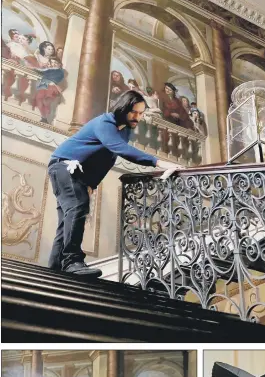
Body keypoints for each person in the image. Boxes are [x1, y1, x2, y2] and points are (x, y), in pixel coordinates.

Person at [47, 90, 183, 276]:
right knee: (78, 207)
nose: (138, 117)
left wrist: (91, 185)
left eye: (141, 113)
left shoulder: (124, 130)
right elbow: (119, 149)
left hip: (78, 173)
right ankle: (72, 262)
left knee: (68, 218)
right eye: (134, 112)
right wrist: (159, 162)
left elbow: (106, 160)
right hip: (64, 166)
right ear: (123, 108)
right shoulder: (105, 122)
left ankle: (54, 268)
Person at [33, 57, 64, 123]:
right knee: (39, 99)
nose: (53, 64)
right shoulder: (49, 70)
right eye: (52, 62)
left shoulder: (59, 71)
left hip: (51, 87)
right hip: (44, 86)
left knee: (46, 102)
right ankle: (44, 117)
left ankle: (45, 117)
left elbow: (58, 77)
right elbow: (41, 71)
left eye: (55, 63)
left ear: (59, 64)